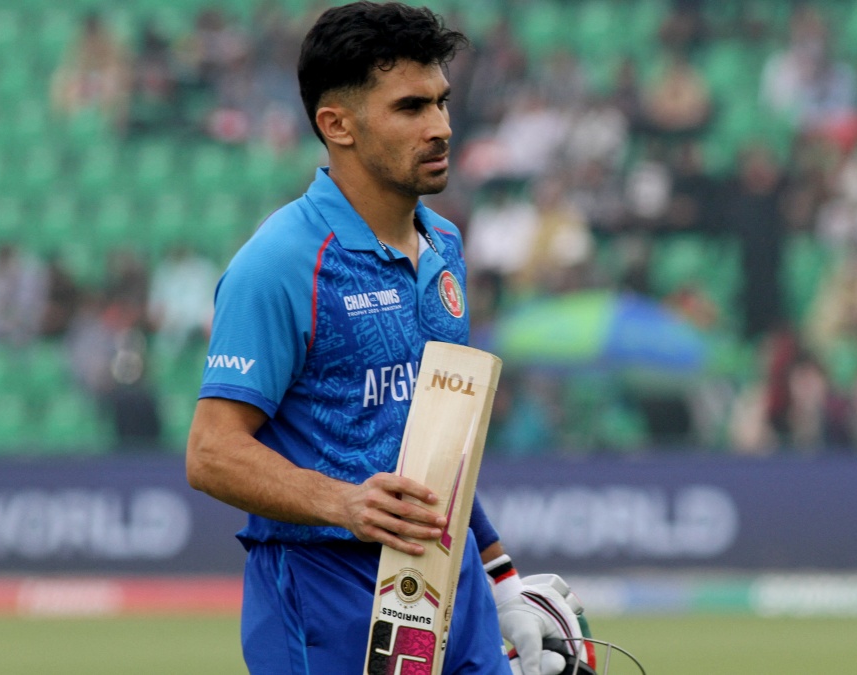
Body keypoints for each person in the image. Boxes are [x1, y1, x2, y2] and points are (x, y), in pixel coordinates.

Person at [186, 4, 588, 674]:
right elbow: (211, 452)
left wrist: (502, 577)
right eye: (410, 108)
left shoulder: (446, 245)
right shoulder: (281, 262)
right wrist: (344, 501)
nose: (441, 128)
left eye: (441, 102)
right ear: (335, 124)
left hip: (448, 587)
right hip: (325, 597)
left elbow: (438, 444)